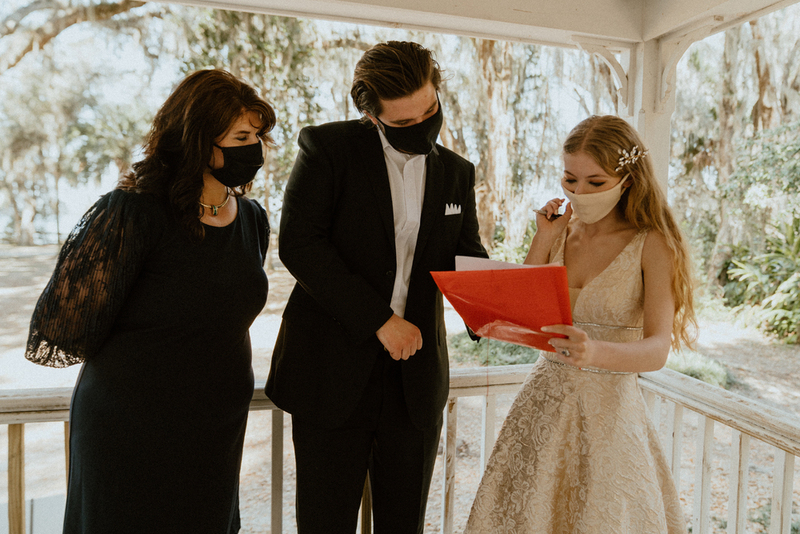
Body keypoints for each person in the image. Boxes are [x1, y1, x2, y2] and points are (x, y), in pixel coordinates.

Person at [25, 69, 276, 534]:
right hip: (130, 425)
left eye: (259, 134)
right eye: (241, 135)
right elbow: (64, 325)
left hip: (215, 424)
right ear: (198, 139)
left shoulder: (254, 220)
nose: (255, 147)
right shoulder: (133, 210)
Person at [266, 41, 487, 534]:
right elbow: (300, 246)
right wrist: (380, 322)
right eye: (404, 123)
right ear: (370, 115)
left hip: (415, 387)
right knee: (325, 522)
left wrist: (504, 301)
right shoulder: (325, 149)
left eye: (430, 111)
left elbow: (466, 259)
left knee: (403, 524)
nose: (423, 127)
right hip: (331, 372)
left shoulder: (457, 173)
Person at [465, 115, 696, 534]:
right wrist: (542, 237)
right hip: (542, 406)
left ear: (627, 179)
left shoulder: (653, 243)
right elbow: (521, 311)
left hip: (610, 417)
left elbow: (659, 347)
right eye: (570, 180)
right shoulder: (560, 232)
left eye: (595, 182)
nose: (579, 192)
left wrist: (596, 352)